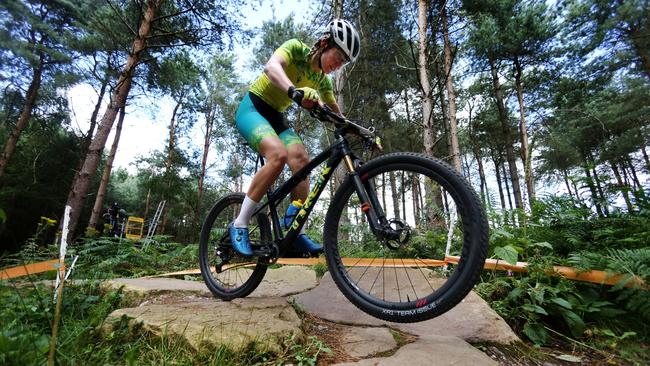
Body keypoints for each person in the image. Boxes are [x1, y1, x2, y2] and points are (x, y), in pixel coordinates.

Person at [230, 19, 361, 256]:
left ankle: (293, 229)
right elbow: (271, 67)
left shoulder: (322, 80)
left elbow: (337, 115)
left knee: (302, 161)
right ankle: (239, 223)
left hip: (276, 117)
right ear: (324, 43)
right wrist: (294, 92)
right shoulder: (296, 49)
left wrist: (360, 131)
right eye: (338, 58)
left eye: (343, 63)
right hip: (253, 108)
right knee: (278, 155)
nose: (338, 65)